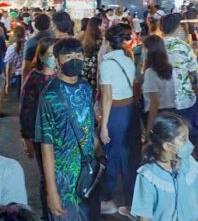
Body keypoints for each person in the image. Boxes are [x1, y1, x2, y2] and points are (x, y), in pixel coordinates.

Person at [35, 38, 101, 221]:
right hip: (63, 179)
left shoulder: (86, 88)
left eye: (79, 55)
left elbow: (89, 125)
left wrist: (99, 154)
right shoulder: (50, 96)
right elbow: (46, 145)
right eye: (68, 56)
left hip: (88, 172)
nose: (75, 60)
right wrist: (51, 191)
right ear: (57, 61)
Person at [99, 24, 141, 218]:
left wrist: (104, 126)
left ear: (107, 42)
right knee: (128, 156)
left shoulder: (107, 64)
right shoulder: (128, 59)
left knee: (112, 156)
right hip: (130, 111)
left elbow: (107, 97)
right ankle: (132, 202)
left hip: (115, 113)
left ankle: (107, 199)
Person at [131, 113, 198, 221]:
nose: (189, 144)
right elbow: (145, 217)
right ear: (167, 146)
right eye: (183, 139)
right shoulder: (148, 177)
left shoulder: (190, 164)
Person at [19, 37, 56, 220]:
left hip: (63, 136)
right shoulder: (33, 78)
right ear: (40, 57)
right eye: (49, 55)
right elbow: (25, 110)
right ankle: (47, 214)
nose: (53, 58)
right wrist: (26, 140)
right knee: (47, 177)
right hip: (41, 136)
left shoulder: (64, 75)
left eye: (56, 54)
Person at [161, 14, 198, 141]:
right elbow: (194, 74)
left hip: (161, 101)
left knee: (166, 138)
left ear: (161, 28)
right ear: (177, 29)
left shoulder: (151, 48)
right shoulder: (185, 47)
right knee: (187, 136)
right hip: (184, 101)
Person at [142, 35, 176, 135]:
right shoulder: (170, 68)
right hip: (173, 111)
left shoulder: (151, 72)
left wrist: (149, 129)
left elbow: (155, 102)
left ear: (149, 50)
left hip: (158, 115)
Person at [21, 13, 51, 83]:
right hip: (52, 77)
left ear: (35, 25)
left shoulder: (30, 42)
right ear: (49, 25)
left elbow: (25, 67)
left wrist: (23, 85)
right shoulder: (54, 38)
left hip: (35, 78)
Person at [81, 17, 103, 97]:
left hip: (86, 71)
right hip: (95, 71)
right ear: (97, 26)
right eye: (102, 25)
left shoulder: (86, 39)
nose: (103, 27)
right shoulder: (100, 41)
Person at [4, 25, 26, 98]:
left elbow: (8, 67)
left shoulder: (12, 48)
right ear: (25, 34)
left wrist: (8, 83)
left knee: (21, 99)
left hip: (19, 76)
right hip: (31, 74)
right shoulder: (29, 44)